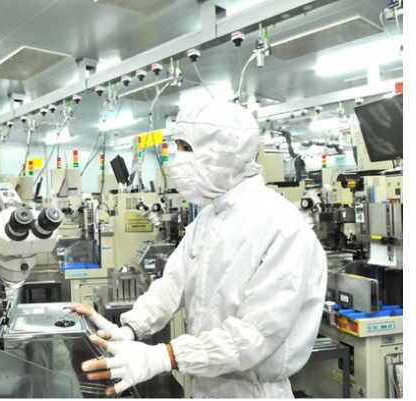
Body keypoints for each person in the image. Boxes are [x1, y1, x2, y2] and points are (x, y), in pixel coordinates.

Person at [71, 99, 327, 398]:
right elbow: (172, 285)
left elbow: (255, 335)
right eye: (177, 147)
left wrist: (164, 356)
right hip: (203, 387)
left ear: (224, 153)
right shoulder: (207, 219)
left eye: (186, 148)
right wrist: (129, 329)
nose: (178, 160)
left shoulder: (283, 226)